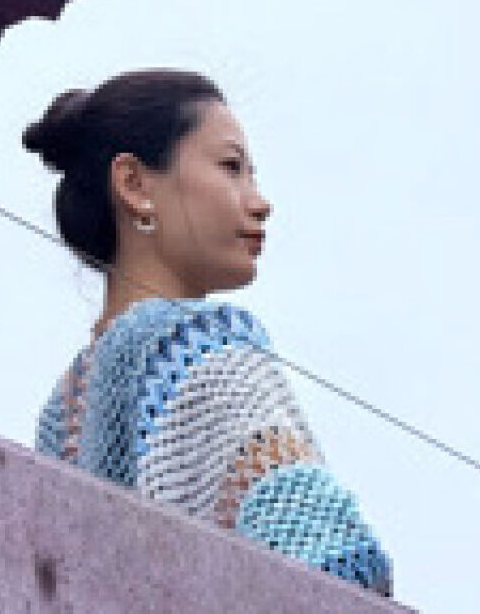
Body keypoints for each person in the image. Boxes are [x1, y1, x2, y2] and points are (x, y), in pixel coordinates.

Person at [26, 68, 392, 594]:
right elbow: (334, 560)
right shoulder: (197, 345)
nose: (260, 201)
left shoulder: (61, 417)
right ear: (133, 184)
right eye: (231, 168)